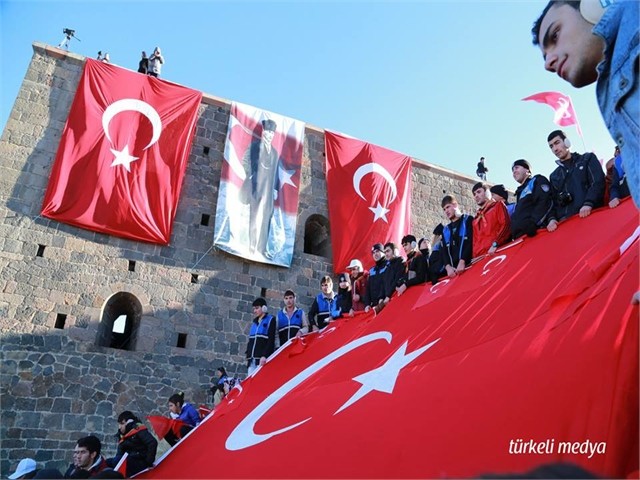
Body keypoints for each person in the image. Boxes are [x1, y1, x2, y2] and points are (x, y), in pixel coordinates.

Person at [531, 0, 639, 208]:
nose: (547, 64)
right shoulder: (612, 86)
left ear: (592, 6)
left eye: (555, 35)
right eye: (544, 56)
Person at [544, 130, 605, 230]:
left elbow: (598, 183)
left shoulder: (587, 159)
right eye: (551, 146)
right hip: (568, 226)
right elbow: (553, 201)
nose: (555, 149)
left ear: (566, 142)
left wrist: (588, 203)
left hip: (592, 218)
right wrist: (552, 218)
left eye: (557, 143)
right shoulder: (554, 176)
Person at [239, 119, 281, 255]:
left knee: (266, 217)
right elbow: (245, 160)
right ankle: (251, 245)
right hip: (256, 187)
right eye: (267, 132)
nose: (269, 135)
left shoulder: (275, 153)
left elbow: (276, 172)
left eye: (271, 133)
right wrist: (250, 175)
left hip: (268, 190)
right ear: (263, 132)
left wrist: (275, 189)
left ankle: (262, 248)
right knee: (255, 215)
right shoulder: (255, 146)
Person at [510, 159, 554, 239]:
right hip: (521, 238)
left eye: (516, 168)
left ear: (527, 169)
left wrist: (534, 223)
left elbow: (544, 201)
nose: (514, 172)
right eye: (512, 170)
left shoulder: (537, 180)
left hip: (536, 233)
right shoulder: (519, 193)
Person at [108, 411, 157, 478]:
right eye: (119, 424)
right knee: (107, 462)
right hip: (128, 460)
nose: (119, 427)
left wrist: (148, 463)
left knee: (116, 460)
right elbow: (120, 451)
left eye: (122, 424)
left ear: (129, 422)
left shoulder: (138, 429)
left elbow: (152, 442)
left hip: (140, 461)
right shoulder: (122, 435)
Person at [471, 182, 511, 258]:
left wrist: (496, 243)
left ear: (487, 192)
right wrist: (474, 256)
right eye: (474, 194)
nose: (476, 196)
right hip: (480, 258)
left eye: (479, 192)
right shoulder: (476, 219)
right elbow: (475, 241)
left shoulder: (498, 205)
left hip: (497, 252)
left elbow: (506, 225)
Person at [439, 195, 473, 278]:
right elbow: (444, 251)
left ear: (455, 205)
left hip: (468, 267)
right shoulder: (445, 230)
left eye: (448, 207)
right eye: (444, 209)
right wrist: (448, 267)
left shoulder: (468, 220)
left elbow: (471, 242)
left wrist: (462, 261)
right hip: (453, 273)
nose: (446, 211)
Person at [245, 297, 276, 375]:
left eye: (257, 308)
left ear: (264, 308)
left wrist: (264, 355)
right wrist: (247, 354)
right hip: (251, 360)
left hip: (261, 360)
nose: (255, 311)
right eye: (254, 309)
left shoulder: (271, 320)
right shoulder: (254, 323)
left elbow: (271, 340)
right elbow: (251, 341)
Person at [364, 243, 389, 313]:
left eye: (377, 251)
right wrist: (367, 304)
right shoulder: (372, 270)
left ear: (383, 252)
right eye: (373, 253)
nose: (375, 254)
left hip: (386, 303)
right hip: (375, 307)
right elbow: (368, 289)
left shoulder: (388, 265)